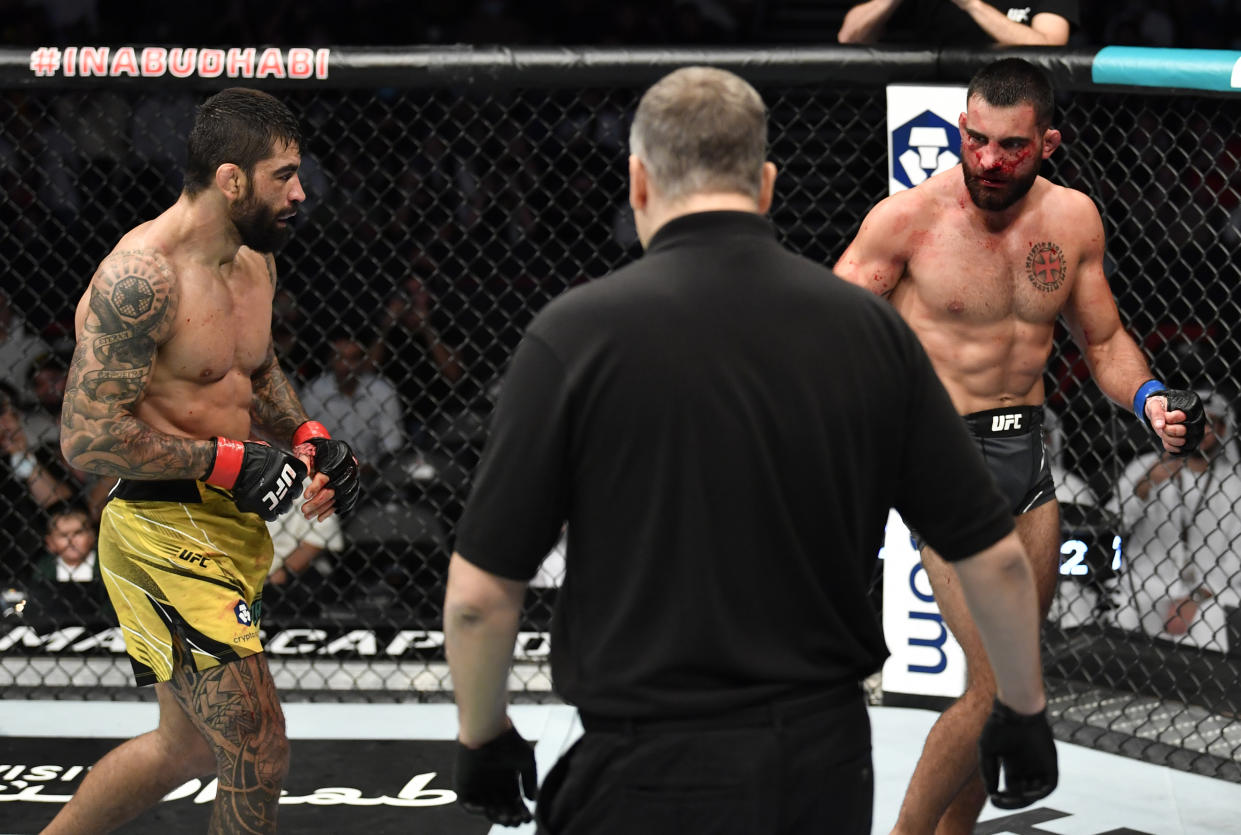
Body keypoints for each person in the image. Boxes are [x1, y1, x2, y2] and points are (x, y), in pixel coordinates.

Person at [443, 65, 1057, 834]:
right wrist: (1022, 706)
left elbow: (477, 595)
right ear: (765, 185)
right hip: (816, 764)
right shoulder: (866, 332)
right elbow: (992, 554)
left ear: (638, 183)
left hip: (638, 762)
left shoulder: (572, 335)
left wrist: (481, 735)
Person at [833, 57, 1204, 835]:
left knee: (1010, 672)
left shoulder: (1071, 221)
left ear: (1048, 143)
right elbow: (829, 335)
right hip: (939, 459)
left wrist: (1148, 401)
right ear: (960, 130)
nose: (987, 160)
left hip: (1027, 460)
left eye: (1009, 146)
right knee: (1000, 679)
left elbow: (1102, 343)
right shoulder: (906, 220)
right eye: (974, 140)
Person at [45, 87, 361, 835]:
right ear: (230, 179)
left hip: (228, 524)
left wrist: (307, 433)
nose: (299, 192)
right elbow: (85, 437)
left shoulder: (252, 263)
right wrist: (224, 461)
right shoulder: (141, 278)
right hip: (158, 524)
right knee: (258, 748)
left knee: (180, 748)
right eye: (283, 175)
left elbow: (250, 369)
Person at [1110, 390, 1241, 649]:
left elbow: (1238, 556)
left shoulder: (1235, 482)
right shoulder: (1145, 465)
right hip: (1144, 583)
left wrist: (1197, 597)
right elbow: (1113, 523)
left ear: (1223, 430)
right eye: (1192, 423)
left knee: (1213, 619)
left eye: (1209, 423)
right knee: (1121, 613)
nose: (1200, 431)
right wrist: (1146, 484)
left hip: (1211, 589)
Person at [837, 0, 1078, 47]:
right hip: (926, 106)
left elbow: (1052, 42)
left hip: (1010, 114)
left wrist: (972, 5)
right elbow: (850, 36)